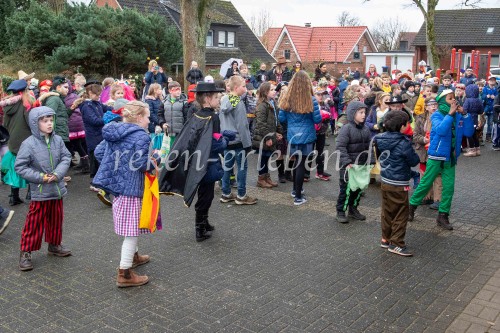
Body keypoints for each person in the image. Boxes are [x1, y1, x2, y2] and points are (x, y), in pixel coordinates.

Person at [93, 101, 157, 287]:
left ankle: (134, 257)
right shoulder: (142, 137)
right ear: (138, 117)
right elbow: (140, 164)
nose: (149, 120)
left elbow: (99, 152)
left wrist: (117, 167)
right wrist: (156, 159)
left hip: (118, 187)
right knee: (131, 231)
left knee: (131, 225)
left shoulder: (116, 131)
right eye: (146, 117)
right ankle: (125, 273)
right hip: (132, 188)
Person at [159, 82, 234, 241]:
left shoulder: (198, 114)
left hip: (199, 162)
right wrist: (225, 140)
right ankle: (199, 229)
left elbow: (199, 138)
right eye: (216, 97)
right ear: (207, 99)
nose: (219, 100)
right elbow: (214, 144)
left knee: (206, 195)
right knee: (206, 196)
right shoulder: (213, 117)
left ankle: (204, 222)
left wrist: (221, 136)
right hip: (208, 164)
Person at [15, 106, 72, 271]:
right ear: (35, 123)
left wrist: (58, 174)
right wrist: (41, 177)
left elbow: (66, 157)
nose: (49, 124)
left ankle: (54, 245)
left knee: (56, 219)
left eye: (50, 120)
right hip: (40, 192)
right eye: (44, 121)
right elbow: (21, 167)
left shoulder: (58, 140)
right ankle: (26, 252)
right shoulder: (28, 144)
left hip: (57, 189)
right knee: (34, 223)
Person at [408, 89, 474, 230]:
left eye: (454, 98)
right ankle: (411, 207)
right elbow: (441, 130)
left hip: (450, 158)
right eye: (450, 99)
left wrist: (465, 114)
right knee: (425, 183)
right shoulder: (436, 115)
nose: (454, 101)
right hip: (436, 157)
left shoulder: (457, 116)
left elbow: (469, 132)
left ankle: (443, 216)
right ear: (443, 101)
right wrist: (450, 114)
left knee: (449, 188)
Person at [374, 110, 420, 256]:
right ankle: (397, 243)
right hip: (399, 182)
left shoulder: (379, 138)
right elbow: (414, 160)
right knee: (401, 212)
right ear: (402, 126)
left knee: (387, 210)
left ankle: (385, 238)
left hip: (385, 180)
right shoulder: (403, 142)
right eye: (407, 123)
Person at [278, 70, 321, 206]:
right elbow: (317, 119)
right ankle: (298, 196)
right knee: (301, 164)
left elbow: (281, 118)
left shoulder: (287, 98)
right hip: (307, 135)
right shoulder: (311, 99)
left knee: (296, 162)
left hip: (292, 135)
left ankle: (295, 189)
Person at [219, 76, 257, 205]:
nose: (245, 89)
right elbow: (242, 125)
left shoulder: (223, 100)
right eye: (243, 86)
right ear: (236, 88)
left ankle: (226, 193)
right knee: (241, 168)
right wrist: (247, 144)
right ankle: (241, 195)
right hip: (238, 141)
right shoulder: (238, 103)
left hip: (226, 140)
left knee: (227, 167)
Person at [335, 101, 372, 223]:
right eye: (360, 112)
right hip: (349, 166)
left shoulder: (366, 129)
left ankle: (353, 209)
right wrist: (346, 162)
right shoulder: (346, 128)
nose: (363, 115)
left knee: (358, 189)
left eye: (364, 112)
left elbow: (369, 147)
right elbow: (340, 146)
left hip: (361, 165)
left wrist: (370, 161)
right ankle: (341, 211)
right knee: (346, 190)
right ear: (352, 113)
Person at [79, 80, 113, 205]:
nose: (98, 97)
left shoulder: (96, 103)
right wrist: (107, 118)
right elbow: (94, 121)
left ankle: (99, 181)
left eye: (99, 95)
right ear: (89, 93)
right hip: (93, 136)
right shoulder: (87, 106)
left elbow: (106, 108)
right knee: (94, 158)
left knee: (100, 158)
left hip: (100, 135)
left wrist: (115, 109)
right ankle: (94, 181)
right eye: (96, 94)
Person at [1, 80, 33, 205]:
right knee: (31, 166)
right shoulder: (25, 104)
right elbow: (31, 123)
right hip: (27, 140)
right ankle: (31, 193)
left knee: (16, 168)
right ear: (25, 91)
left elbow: (5, 125)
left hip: (13, 141)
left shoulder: (7, 106)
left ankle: (13, 197)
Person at [413, 97, 442, 210]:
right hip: (423, 151)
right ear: (426, 107)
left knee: (437, 175)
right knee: (424, 175)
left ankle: (438, 199)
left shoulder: (441, 117)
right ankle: (426, 197)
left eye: (435, 104)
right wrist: (424, 139)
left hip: (436, 151)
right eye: (431, 105)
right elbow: (415, 135)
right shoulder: (420, 118)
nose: (434, 106)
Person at [252, 82, 283, 188]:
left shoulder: (272, 103)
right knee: (263, 158)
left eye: (275, 89)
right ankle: (261, 178)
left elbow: (275, 120)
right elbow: (261, 124)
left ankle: (266, 177)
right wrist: (268, 138)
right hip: (263, 137)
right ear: (265, 92)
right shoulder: (262, 105)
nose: (275, 91)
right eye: (272, 90)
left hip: (270, 135)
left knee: (267, 157)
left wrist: (279, 131)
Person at [65, 81, 89, 173]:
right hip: (79, 123)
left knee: (77, 145)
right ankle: (84, 163)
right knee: (80, 144)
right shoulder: (75, 96)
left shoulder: (66, 98)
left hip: (72, 124)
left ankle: (85, 164)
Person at [41, 76, 71, 146]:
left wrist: (72, 108)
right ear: (58, 87)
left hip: (60, 134)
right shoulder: (54, 99)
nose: (68, 90)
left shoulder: (59, 98)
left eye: (68, 88)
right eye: (65, 87)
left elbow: (62, 116)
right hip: (56, 136)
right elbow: (48, 116)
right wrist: (51, 135)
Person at [158, 81, 188, 150]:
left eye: (179, 89)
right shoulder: (164, 102)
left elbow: (187, 117)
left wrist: (185, 130)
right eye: (175, 90)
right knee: (168, 151)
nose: (178, 92)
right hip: (168, 133)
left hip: (180, 133)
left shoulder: (184, 103)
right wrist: (162, 123)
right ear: (170, 91)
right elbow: (160, 115)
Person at [462, 84, 484, 156]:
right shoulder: (479, 100)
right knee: (474, 134)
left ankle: (472, 150)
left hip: (468, 119)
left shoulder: (467, 100)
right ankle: (477, 149)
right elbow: (481, 111)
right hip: (475, 118)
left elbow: (464, 110)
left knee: (469, 134)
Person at [144, 83, 162, 148]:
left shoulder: (159, 99)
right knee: (154, 142)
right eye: (160, 89)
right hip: (153, 124)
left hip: (160, 124)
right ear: (155, 90)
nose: (161, 90)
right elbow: (150, 113)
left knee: (160, 142)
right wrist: (159, 121)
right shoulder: (149, 100)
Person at [482, 77, 498, 143]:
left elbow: (497, 96)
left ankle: (488, 136)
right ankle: (480, 135)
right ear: (488, 81)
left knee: (490, 123)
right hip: (485, 108)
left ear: (495, 82)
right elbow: (482, 96)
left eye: (493, 80)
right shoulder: (485, 88)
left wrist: (495, 97)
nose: (492, 81)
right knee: (482, 123)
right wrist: (486, 96)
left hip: (492, 109)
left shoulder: (496, 89)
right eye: (490, 80)